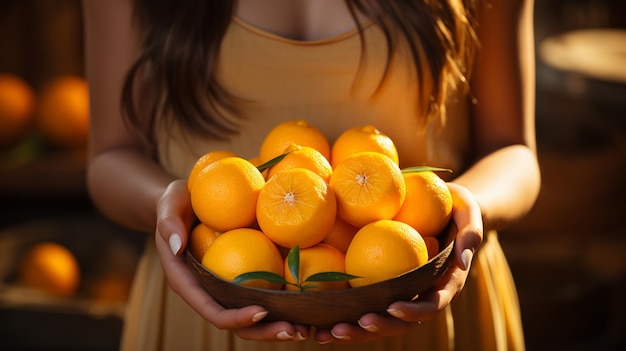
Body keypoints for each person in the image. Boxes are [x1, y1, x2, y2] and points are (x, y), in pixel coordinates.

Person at [82, 0, 540, 349]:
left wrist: (464, 208)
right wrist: (170, 206)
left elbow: (514, 151)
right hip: (205, 305)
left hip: (431, 296)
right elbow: (111, 156)